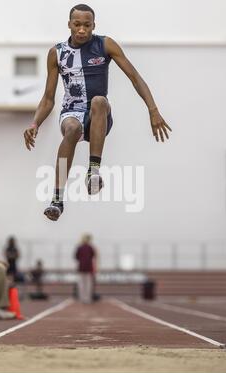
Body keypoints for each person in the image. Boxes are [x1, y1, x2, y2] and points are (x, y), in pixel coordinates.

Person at [24, 4, 172, 221]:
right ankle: (57, 199)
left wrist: (153, 110)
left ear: (94, 26)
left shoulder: (105, 44)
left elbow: (135, 77)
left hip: (98, 116)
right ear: (69, 25)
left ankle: (93, 170)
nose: (82, 30)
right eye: (77, 25)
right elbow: (48, 98)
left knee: (100, 101)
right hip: (71, 112)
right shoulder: (56, 53)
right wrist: (35, 123)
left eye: (87, 25)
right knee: (72, 128)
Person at [74, 234, 97, 304]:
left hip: (82, 267)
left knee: (82, 283)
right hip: (88, 267)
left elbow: (76, 257)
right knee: (87, 284)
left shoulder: (80, 247)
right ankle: (87, 298)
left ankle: (82, 298)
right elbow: (93, 256)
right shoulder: (90, 247)